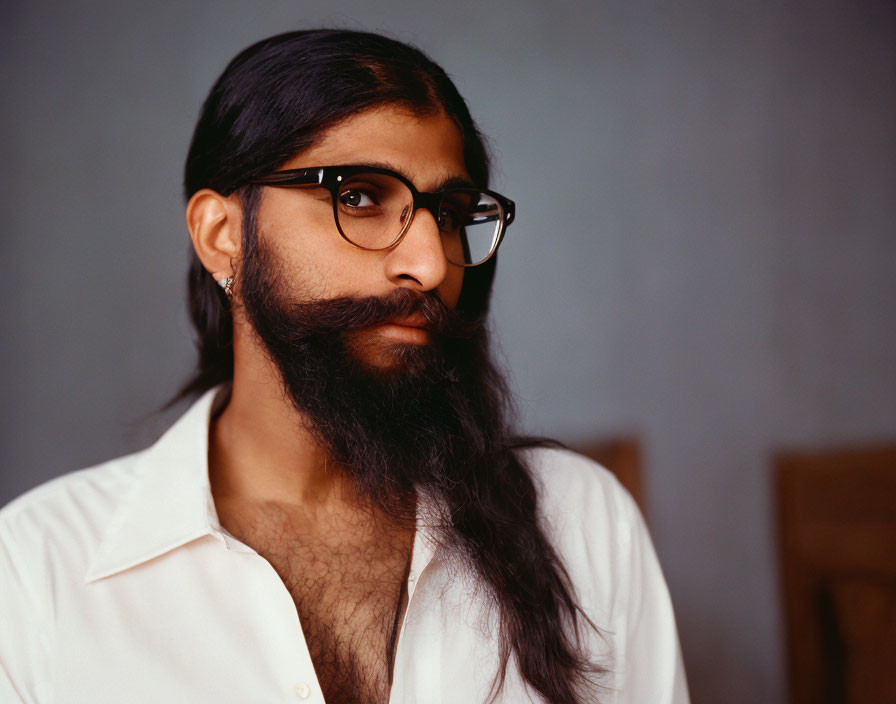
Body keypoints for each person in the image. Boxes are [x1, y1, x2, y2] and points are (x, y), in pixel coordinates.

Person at [0, 29, 689, 704]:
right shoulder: (35, 575)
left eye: (448, 214)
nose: (429, 263)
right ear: (222, 237)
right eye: (359, 196)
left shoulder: (581, 522)